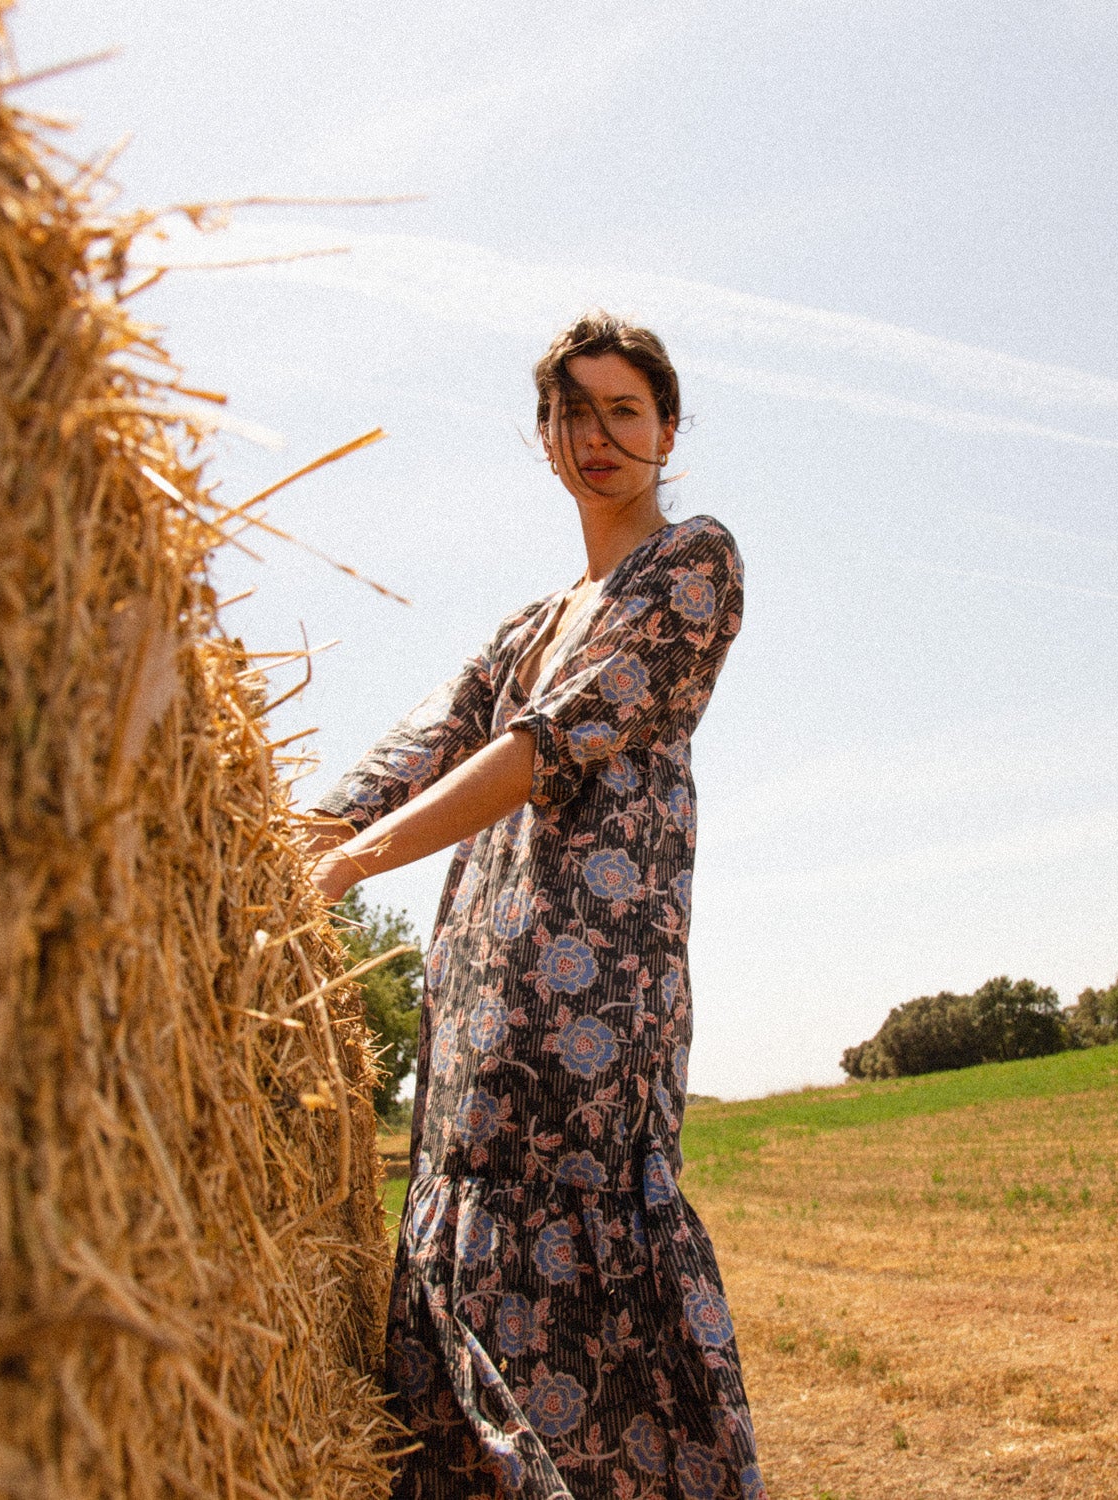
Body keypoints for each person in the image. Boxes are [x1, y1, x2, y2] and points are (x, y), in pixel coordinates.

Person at [307, 311, 761, 1500]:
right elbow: (425, 742)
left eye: (624, 410)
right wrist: (276, 839)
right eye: (574, 414)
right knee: (459, 1242)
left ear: (668, 428)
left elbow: (550, 742)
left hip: (595, 994)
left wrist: (358, 865)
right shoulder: (527, 622)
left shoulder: (692, 564)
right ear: (543, 441)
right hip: (477, 996)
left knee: (580, 1250)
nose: (598, 435)